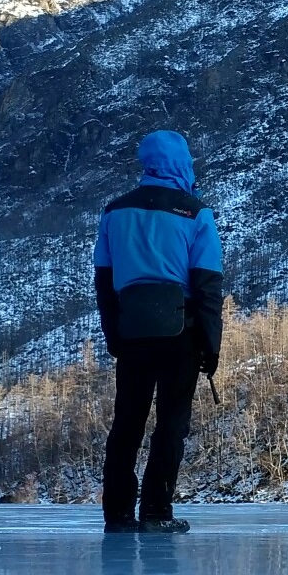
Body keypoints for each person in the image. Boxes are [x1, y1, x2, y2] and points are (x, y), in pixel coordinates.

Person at [93, 130, 224, 533]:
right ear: (183, 162)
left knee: (127, 422)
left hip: (131, 333)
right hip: (179, 335)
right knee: (171, 424)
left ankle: (117, 513)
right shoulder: (196, 213)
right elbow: (206, 286)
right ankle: (155, 512)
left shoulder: (114, 212)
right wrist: (210, 345)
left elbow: (104, 282)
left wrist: (114, 335)